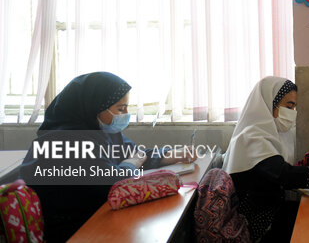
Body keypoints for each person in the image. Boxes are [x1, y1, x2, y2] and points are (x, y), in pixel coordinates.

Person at [19, 72, 194, 242]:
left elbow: (134, 153)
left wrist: (169, 154)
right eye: (120, 108)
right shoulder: (65, 140)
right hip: (69, 227)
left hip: (95, 211)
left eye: (127, 107)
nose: (126, 113)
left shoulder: (101, 130)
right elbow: (112, 183)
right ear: (95, 106)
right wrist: (131, 164)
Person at [223, 76, 309, 242]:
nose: (292, 113)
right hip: (256, 222)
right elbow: (284, 175)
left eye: (294, 107)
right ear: (269, 103)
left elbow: (279, 171)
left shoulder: (271, 132)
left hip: (272, 210)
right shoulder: (251, 136)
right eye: (289, 106)